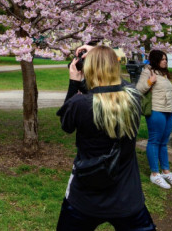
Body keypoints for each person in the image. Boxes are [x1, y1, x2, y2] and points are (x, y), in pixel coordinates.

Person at [56, 45, 156, 231]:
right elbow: (124, 85)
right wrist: (103, 53)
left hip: (85, 195)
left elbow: (66, 124)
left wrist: (74, 83)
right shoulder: (132, 99)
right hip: (127, 196)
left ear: (88, 69)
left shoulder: (80, 104)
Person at [136, 50, 172, 189]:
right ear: (155, 60)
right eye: (162, 59)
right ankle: (155, 174)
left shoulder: (163, 73)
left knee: (163, 142)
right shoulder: (148, 71)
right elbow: (138, 90)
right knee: (155, 141)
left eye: (165, 59)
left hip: (168, 110)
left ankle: (166, 171)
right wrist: (150, 81)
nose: (165, 61)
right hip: (156, 110)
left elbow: (161, 91)